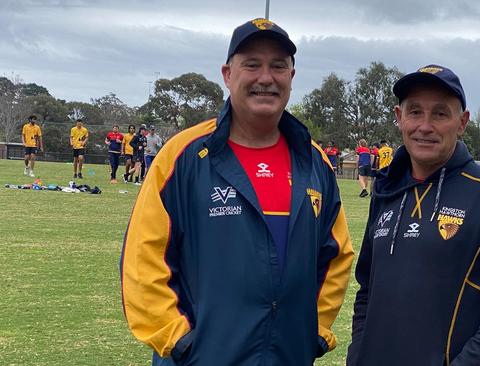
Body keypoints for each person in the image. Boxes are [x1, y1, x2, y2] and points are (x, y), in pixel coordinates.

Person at [121, 18, 354, 366]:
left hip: (288, 355)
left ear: (291, 76)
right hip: (201, 357)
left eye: (278, 66)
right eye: (252, 65)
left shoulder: (313, 160)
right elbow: (143, 259)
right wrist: (180, 341)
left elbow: (336, 254)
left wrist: (315, 331)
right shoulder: (182, 156)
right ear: (228, 74)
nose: (266, 78)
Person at [347, 64, 480, 366]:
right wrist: (357, 356)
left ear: (462, 123)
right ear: (399, 118)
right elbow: (368, 289)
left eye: (440, 113)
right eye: (415, 112)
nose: (425, 126)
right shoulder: (386, 190)